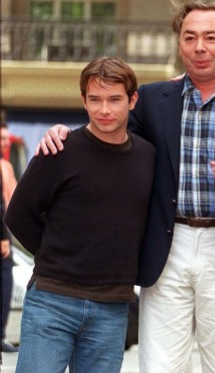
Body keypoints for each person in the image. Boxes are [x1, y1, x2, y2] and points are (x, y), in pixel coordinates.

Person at [36, 0, 215, 373]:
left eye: (211, 37)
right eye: (190, 37)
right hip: (166, 244)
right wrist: (64, 134)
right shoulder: (152, 100)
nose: (200, 47)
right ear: (179, 42)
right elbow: (109, 141)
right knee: (160, 364)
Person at [4, 57, 155, 372]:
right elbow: (18, 213)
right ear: (84, 101)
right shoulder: (60, 149)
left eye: (114, 99)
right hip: (52, 300)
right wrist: (53, 255)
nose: (104, 109)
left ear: (132, 100)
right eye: (95, 100)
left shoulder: (147, 156)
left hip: (113, 307)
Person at [1, 123, 19, 354]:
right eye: (1, 138)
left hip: (6, 235)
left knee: (6, 286)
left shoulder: (6, 166)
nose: (5, 142)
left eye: (6, 138)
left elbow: (13, 199)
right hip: (2, 237)